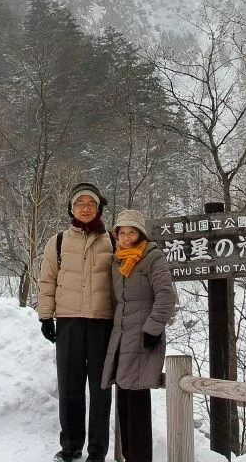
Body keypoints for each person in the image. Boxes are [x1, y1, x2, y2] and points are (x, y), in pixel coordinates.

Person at [38, 182, 116, 462]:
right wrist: (46, 316)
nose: (85, 208)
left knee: (101, 388)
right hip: (69, 322)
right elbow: (47, 280)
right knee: (70, 386)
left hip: (102, 323)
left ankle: (97, 450)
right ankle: (70, 446)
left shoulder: (114, 241)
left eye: (91, 204)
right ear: (71, 208)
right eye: (80, 203)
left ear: (99, 208)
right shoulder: (57, 241)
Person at [101, 209, 178, 462]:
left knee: (138, 403)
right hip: (122, 339)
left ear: (140, 233)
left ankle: (140, 457)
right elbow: (117, 303)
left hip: (144, 338)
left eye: (131, 231)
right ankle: (128, 455)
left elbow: (166, 296)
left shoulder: (152, 258)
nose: (125, 236)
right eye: (121, 232)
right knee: (123, 399)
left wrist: (153, 329)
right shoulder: (118, 261)